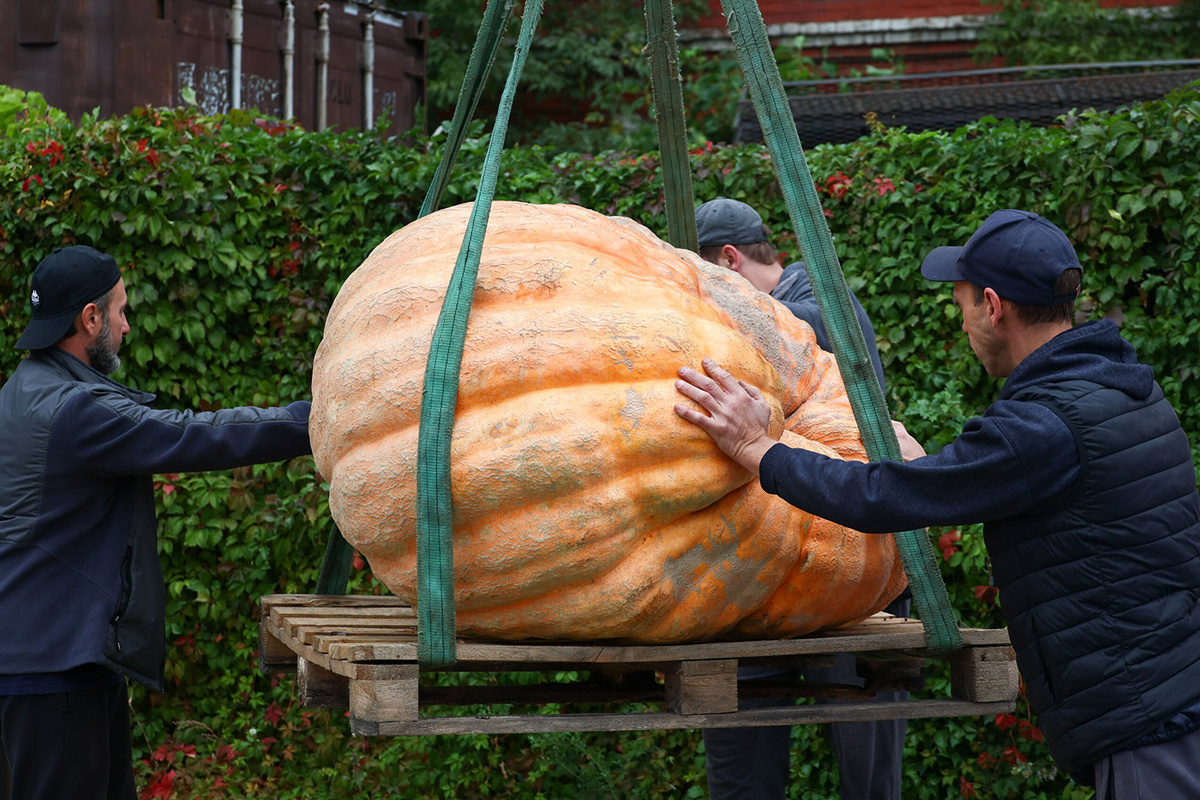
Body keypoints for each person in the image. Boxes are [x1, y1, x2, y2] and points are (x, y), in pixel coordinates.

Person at [675, 209, 1200, 799]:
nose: (964, 326)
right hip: (1172, 693)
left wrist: (757, 448)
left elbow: (880, 498)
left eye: (962, 307)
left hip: (1148, 721)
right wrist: (925, 470)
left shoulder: (1044, 425)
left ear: (993, 307)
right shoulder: (1126, 389)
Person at [0, 246, 314, 800]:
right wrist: (316, 419)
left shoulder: (21, 389)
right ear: (89, 318)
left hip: (57, 659)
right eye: (120, 311)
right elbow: (194, 434)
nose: (126, 326)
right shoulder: (74, 410)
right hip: (54, 674)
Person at [693, 198, 908, 800]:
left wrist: (691, 305)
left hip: (851, 565)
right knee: (741, 771)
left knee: (867, 772)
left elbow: (793, 331)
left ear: (729, 261)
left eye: (708, 277)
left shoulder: (821, 300)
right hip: (759, 566)